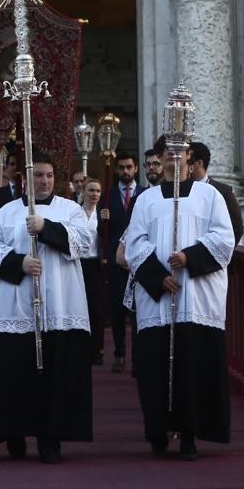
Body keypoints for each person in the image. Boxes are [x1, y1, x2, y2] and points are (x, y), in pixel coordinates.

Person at [0, 153, 94, 464]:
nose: (45, 181)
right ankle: (14, 432)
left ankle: (50, 438)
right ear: (26, 178)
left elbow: (85, 242)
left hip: (59, 306)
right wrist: (19, 262)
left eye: (50, 175)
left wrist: (47, 228)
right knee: (14, 374)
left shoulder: (70, 209)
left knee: (55, 375)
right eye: (38, 175)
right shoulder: (7, 213)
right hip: (16, 307)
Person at [126, 136, 235, 460]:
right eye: (167, 154)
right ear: (160, 158)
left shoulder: (210, 196)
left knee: (193, 366)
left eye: (180, 153)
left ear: (189, 157)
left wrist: (189, 257)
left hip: (196, 298)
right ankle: (158, 431)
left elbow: (224, 239)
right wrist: (158, 277)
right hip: (159, 297)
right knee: (156, 366)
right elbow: (134, 244)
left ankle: (190, 434)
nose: (174, 159)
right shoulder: (146, 200)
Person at [102, 151, 140, 373]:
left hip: (137, 261)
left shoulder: (144, 195)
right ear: (116, 170)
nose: (125, 171)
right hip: (116, 263)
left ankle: (137, 358)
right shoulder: (107, 197)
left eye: (129, 167)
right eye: (122, 167)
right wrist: (101, 220)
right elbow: (99, 233)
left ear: (136, 169)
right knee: (117, 311)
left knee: (138, 312)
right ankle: (119, 354)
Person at [188, 141, 244, 244]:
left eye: (188, 161)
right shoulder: (180, 190)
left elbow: (236, 228)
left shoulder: (223, 191)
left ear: (199, 163)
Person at [79, 178, 106, 364]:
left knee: (96, 309)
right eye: (91, 190)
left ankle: (97, 350)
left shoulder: (103, 213)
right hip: (78, 264)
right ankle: (80, 348)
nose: (95, 194)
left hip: (96, 264)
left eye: (97, 191)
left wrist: (106, 223)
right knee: (80, 307)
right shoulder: (76, 212)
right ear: (84, 191)